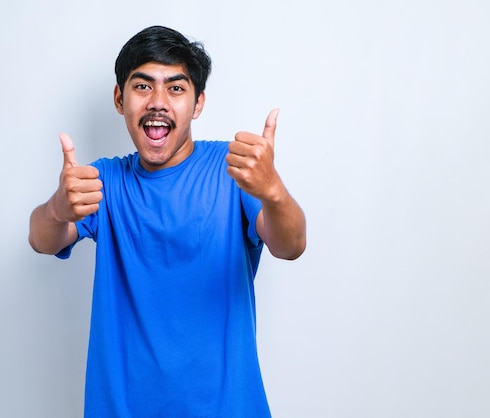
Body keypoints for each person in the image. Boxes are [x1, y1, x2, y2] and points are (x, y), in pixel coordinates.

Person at [29, 25, 306, 417]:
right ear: (119, 98)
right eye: (143, 86)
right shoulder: (104, 181)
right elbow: (43, 239)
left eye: (176, 88)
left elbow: (290, 245)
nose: (158, 102)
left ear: (197, 103)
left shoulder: (234, 169)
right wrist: (57, 209)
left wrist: (274, 192)